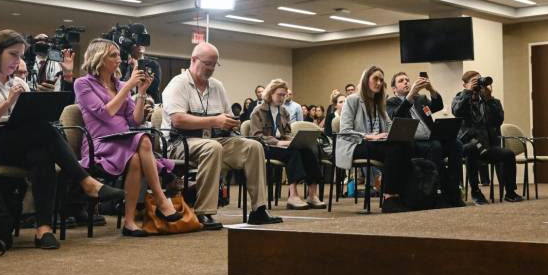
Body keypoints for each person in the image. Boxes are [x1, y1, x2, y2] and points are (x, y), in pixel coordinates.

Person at [0, 30, 123, 249]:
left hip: (14, 143)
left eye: (20, 56)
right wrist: (6, 104)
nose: (18, 62)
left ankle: (43, 229)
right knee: (40, 130)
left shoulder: (17, 83)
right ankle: (86, 181)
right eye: (13, 54)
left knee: (42, 154)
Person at [161, 42, 281, 229]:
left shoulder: (217, 86)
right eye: (207, 63)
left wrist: (231, 123)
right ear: (193, 60)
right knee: (213, 147)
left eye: (214, 65)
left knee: (253, 146)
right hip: (181, 144)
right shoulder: (178, 84)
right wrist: (214, 121)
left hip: (213, 140)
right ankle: (204, 211)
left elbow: (225, 116)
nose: (210, 69)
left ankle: (259, 209)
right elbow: (177, 120)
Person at [74, 39, 182, 237]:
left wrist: (140, 93)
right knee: (144, 140)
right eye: (113, 55)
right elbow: (105, 114)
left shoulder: (120, 84)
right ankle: (160, 198)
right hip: (100, 143)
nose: (119, 59)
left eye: (118, 55)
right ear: (99, 58)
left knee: (135, 158)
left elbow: (135, 120)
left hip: (125, 140)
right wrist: (127, 88)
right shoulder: (83, 84)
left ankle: (130, 222)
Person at [336, 66, 415, 213]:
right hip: (354, 145)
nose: (379, 83)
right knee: (394, 149)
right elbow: (345, 131)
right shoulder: (352, 100)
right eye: (375, 79)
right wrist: (368, 136)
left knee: (406, 146)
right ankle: (388, 197)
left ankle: (402, 194)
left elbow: (390, 125)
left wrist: (395, 132)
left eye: (381, 80)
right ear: (366, 80)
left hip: (375, 144)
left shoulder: (379, 103)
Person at [388, 72, 464, 207]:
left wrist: (431, 89)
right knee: (435, 146)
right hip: (411, 143)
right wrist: (410, 96)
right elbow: (396, 116)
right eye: (401, 81)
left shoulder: (421, 99)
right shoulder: (391, 103)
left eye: (407, 79)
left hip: (431, 138)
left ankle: (454, 190)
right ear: (394, 88)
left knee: (456, 144)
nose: (406, 82)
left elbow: (438, 105)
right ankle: (436, 193)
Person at [250, 79, 325, 210]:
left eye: (284, 95)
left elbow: (287, 133)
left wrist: (293, 140)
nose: (282, 98)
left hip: (283, 145)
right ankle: (293, 196)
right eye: (279, 94)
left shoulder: (284, 111)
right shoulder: (258, 111)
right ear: (270, 93)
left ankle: (312, 194)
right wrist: (278, 142)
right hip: (266, 147)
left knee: (309, 151)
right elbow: (257, 136)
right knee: (293, 153)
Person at [452, 71, 523, 204]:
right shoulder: (459, 98)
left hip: (487, 146)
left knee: (508, 154)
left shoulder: (490, 101)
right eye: (474, 81)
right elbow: (457, 111)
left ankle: (510, 192)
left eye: (479, 80)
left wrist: (489, 99)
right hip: (467, 146)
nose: (478, 83)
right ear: (465, 84)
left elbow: (498, 120)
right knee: (472, 149)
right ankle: (476, 192)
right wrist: (468, 93)